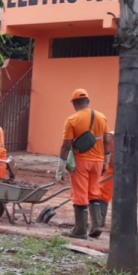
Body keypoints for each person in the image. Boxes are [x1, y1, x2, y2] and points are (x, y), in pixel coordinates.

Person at [56, 89, 111, 239]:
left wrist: (60, 168)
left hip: (81, 162)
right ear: (88, 101)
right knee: (94, 192)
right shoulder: (102, 117)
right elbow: (107, 141)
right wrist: (106, 160)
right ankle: (97, 224)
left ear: (74, 103)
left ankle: (80, 230)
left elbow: (66, 145)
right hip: (98, 162)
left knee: (80, 194)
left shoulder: (72, 120)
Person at [98, 130, 115, 228]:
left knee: (104, 192)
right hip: (107, 167)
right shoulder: (112, 136)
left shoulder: (128, 137)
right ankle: (100, 218)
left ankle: (100, 219)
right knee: (103, 192)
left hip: (113, 169)